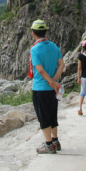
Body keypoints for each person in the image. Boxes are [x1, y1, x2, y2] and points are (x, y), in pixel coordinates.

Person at [29, 20, 65, 153]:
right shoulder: (54, 46)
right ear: (45, 32)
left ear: (33, 33)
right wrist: (54, 81)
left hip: (40, 88)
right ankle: (55, 141)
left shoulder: (35, 49)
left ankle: (49, 144)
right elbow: (61, 65)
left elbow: (40, 70)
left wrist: (51, 82)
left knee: (43, 116)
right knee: (52, 114)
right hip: (53, 89)